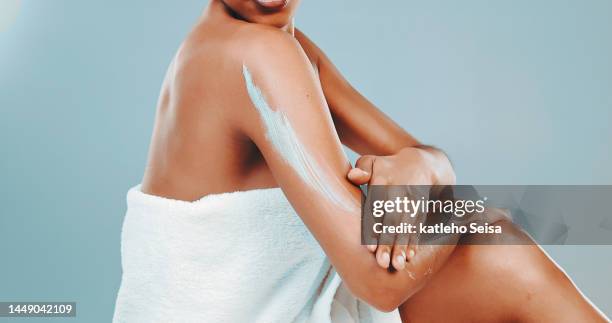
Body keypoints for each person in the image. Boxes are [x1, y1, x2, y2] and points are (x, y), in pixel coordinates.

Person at [116, 0, 607, 321]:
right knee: (493, 237)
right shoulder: (251, 53)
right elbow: (377, 282)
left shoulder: (280, 48)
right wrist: (459, 199)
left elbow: (422, 156)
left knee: (490, 244)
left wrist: (428, 170)